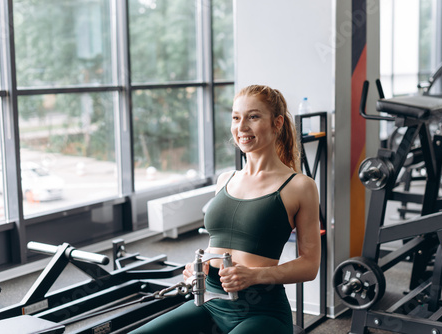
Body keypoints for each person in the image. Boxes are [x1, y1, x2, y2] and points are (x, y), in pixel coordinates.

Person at [129, 84, 321, 334]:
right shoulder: (225, 179)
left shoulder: (299, 186)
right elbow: (220, 242)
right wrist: (199, 266)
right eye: (236, 117)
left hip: (262, 312)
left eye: (253, 117)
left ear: (277, 123)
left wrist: (255, 276)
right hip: (209, 303)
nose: (241, 127)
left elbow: (310, 265)